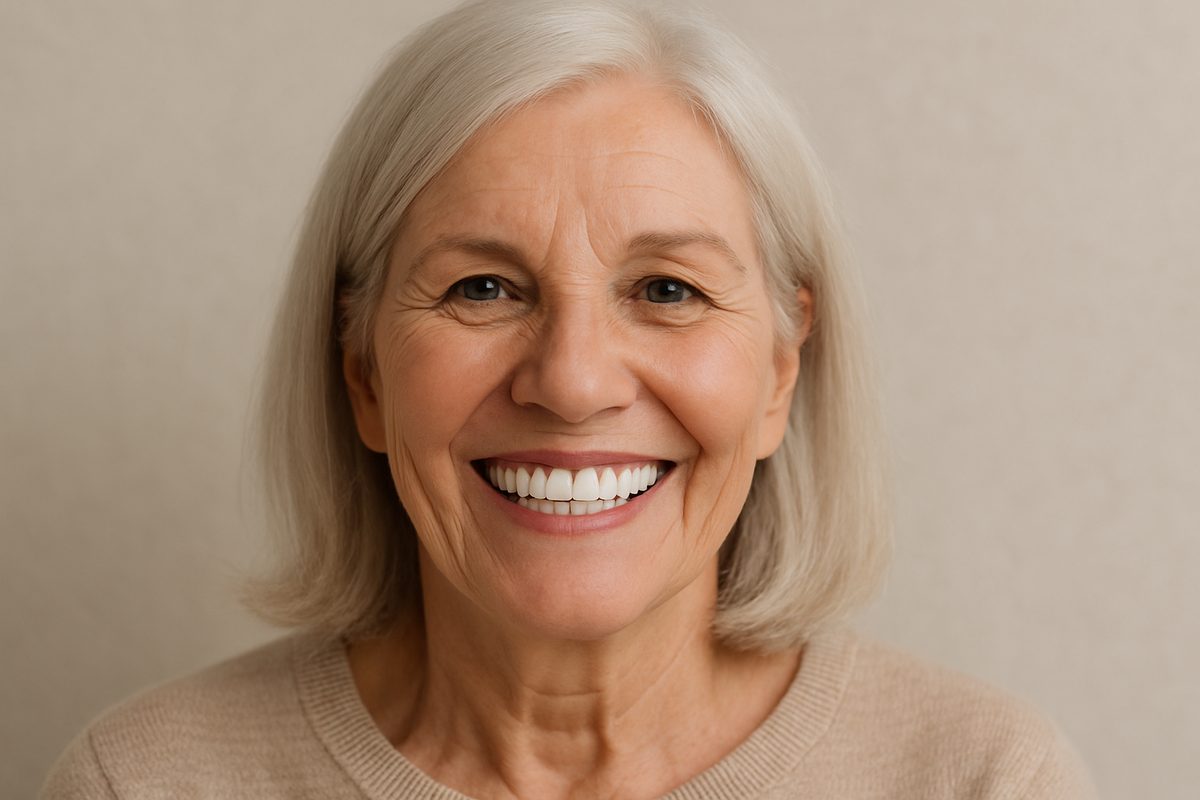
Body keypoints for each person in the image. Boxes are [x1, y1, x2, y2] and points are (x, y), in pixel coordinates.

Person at [42, 1, 1096, 797]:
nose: (575, 380)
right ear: (362, 370)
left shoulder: (982, 778)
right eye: (483, 288)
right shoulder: (142, 784)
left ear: (781, 371)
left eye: (668, 290)